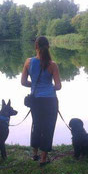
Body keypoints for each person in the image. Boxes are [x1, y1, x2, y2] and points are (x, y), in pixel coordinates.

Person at [21, 36, 62, 166]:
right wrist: (48, 87)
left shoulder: (28, 62)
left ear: (36, 47)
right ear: (48, 46)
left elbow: (23, 82)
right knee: (48, 128)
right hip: (50, 100)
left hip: (36, 100)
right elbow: (58, 86)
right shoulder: (53, 65)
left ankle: (34, 154)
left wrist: (34, 85)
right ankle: (44, 159)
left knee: (36, 125)